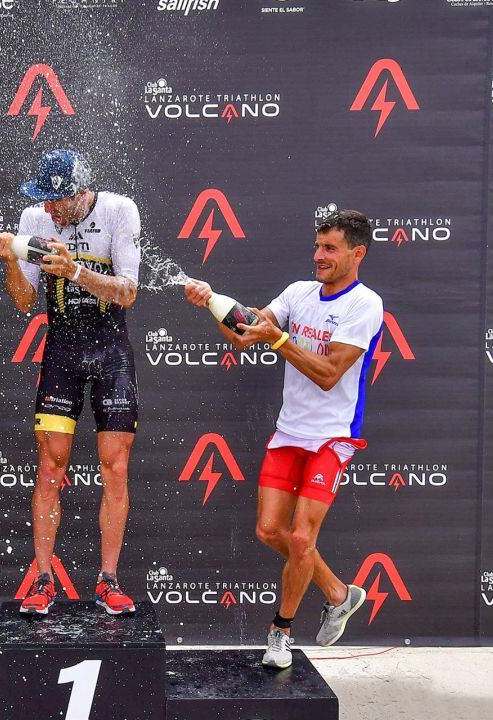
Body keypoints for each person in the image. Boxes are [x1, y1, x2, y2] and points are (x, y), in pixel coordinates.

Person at [184, 210, 383, 669]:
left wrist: (279, 340)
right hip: (289, 432)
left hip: (333, 439)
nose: (319, 256)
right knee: (269, 531)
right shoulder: (298, 293)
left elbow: (330, 373)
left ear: (358, 254)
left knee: (300, 537)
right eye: (317, 246)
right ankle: (337, 591)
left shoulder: (365, 305)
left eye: (330, 249)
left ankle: (281, 632)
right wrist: (213, 302)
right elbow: (244, 333)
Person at [0, 149, 142, 616]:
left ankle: (108, 580)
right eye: (45, 202)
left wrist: (74, 269)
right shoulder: (35, 216)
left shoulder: (119, 210)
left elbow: (128, 292)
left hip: (112, 352)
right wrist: (12, 259)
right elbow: (22, 299)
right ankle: (44, 579)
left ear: (78, 194)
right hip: (62, 355)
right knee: (50, 468)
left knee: (115, 467)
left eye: (56, 201)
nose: (48, 210)